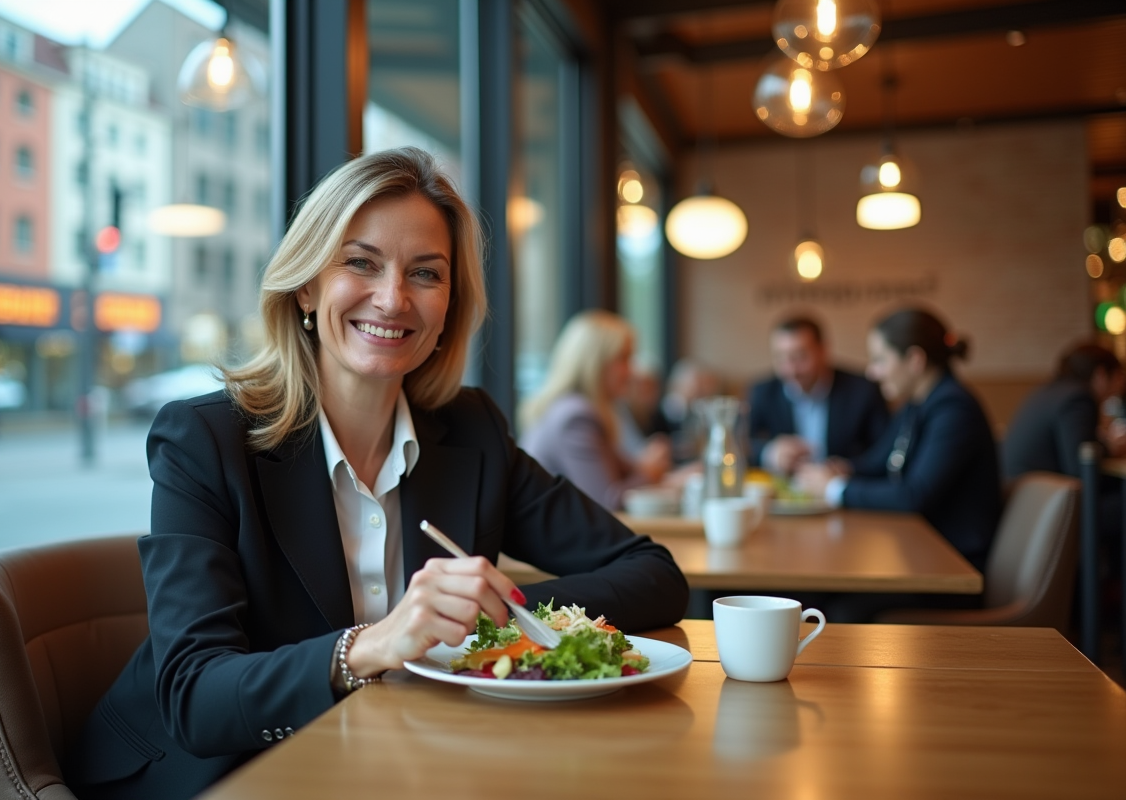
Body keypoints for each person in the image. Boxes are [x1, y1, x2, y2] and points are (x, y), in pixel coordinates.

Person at [65, 148, 688, 800]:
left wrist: (498, 622)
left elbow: (653, 575)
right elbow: (195, 696)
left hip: (391, 761)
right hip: (214, 775)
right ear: (306, 285)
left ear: (449, 307)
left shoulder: (471, 430)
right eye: (360, 263)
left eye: (426, 273)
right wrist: (371, 645)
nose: (393, 299)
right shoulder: (206, 440)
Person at [795, 308, 1002, 573]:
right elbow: (877, 462)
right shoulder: (917, 405)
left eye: (880, 360)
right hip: (920, 551)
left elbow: (914, 496)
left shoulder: (953, 408)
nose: (872, 372)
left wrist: (834, 490)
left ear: (915, 359)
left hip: (953, 566)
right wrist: (839, 469)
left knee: (842, 604)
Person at [519, 310, 673, 511]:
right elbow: (605, 502)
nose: (632, 371)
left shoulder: (572, 408)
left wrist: (647, 468)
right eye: (623, 358)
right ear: (595, 362)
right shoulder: (575, 416)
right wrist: (650, 473)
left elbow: (622, 471)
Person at [748, 315, 889, 474]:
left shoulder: (863, 390)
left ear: (823, 350)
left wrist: (846, 468)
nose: (791, 370)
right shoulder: (763, 392)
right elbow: (743, 444)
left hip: (845, 492)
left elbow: (884, 450)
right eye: (780, 358)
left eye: (800, 357)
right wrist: (769, 453)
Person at [1002, 342, 1126, 479]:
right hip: (1041, 493)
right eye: (1118, 376)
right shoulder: (1078, 399)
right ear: (1101, 374)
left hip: (1022, 490)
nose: (1120, 386)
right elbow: (1080, 465)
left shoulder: (1049, 390)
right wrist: (1111, 449)